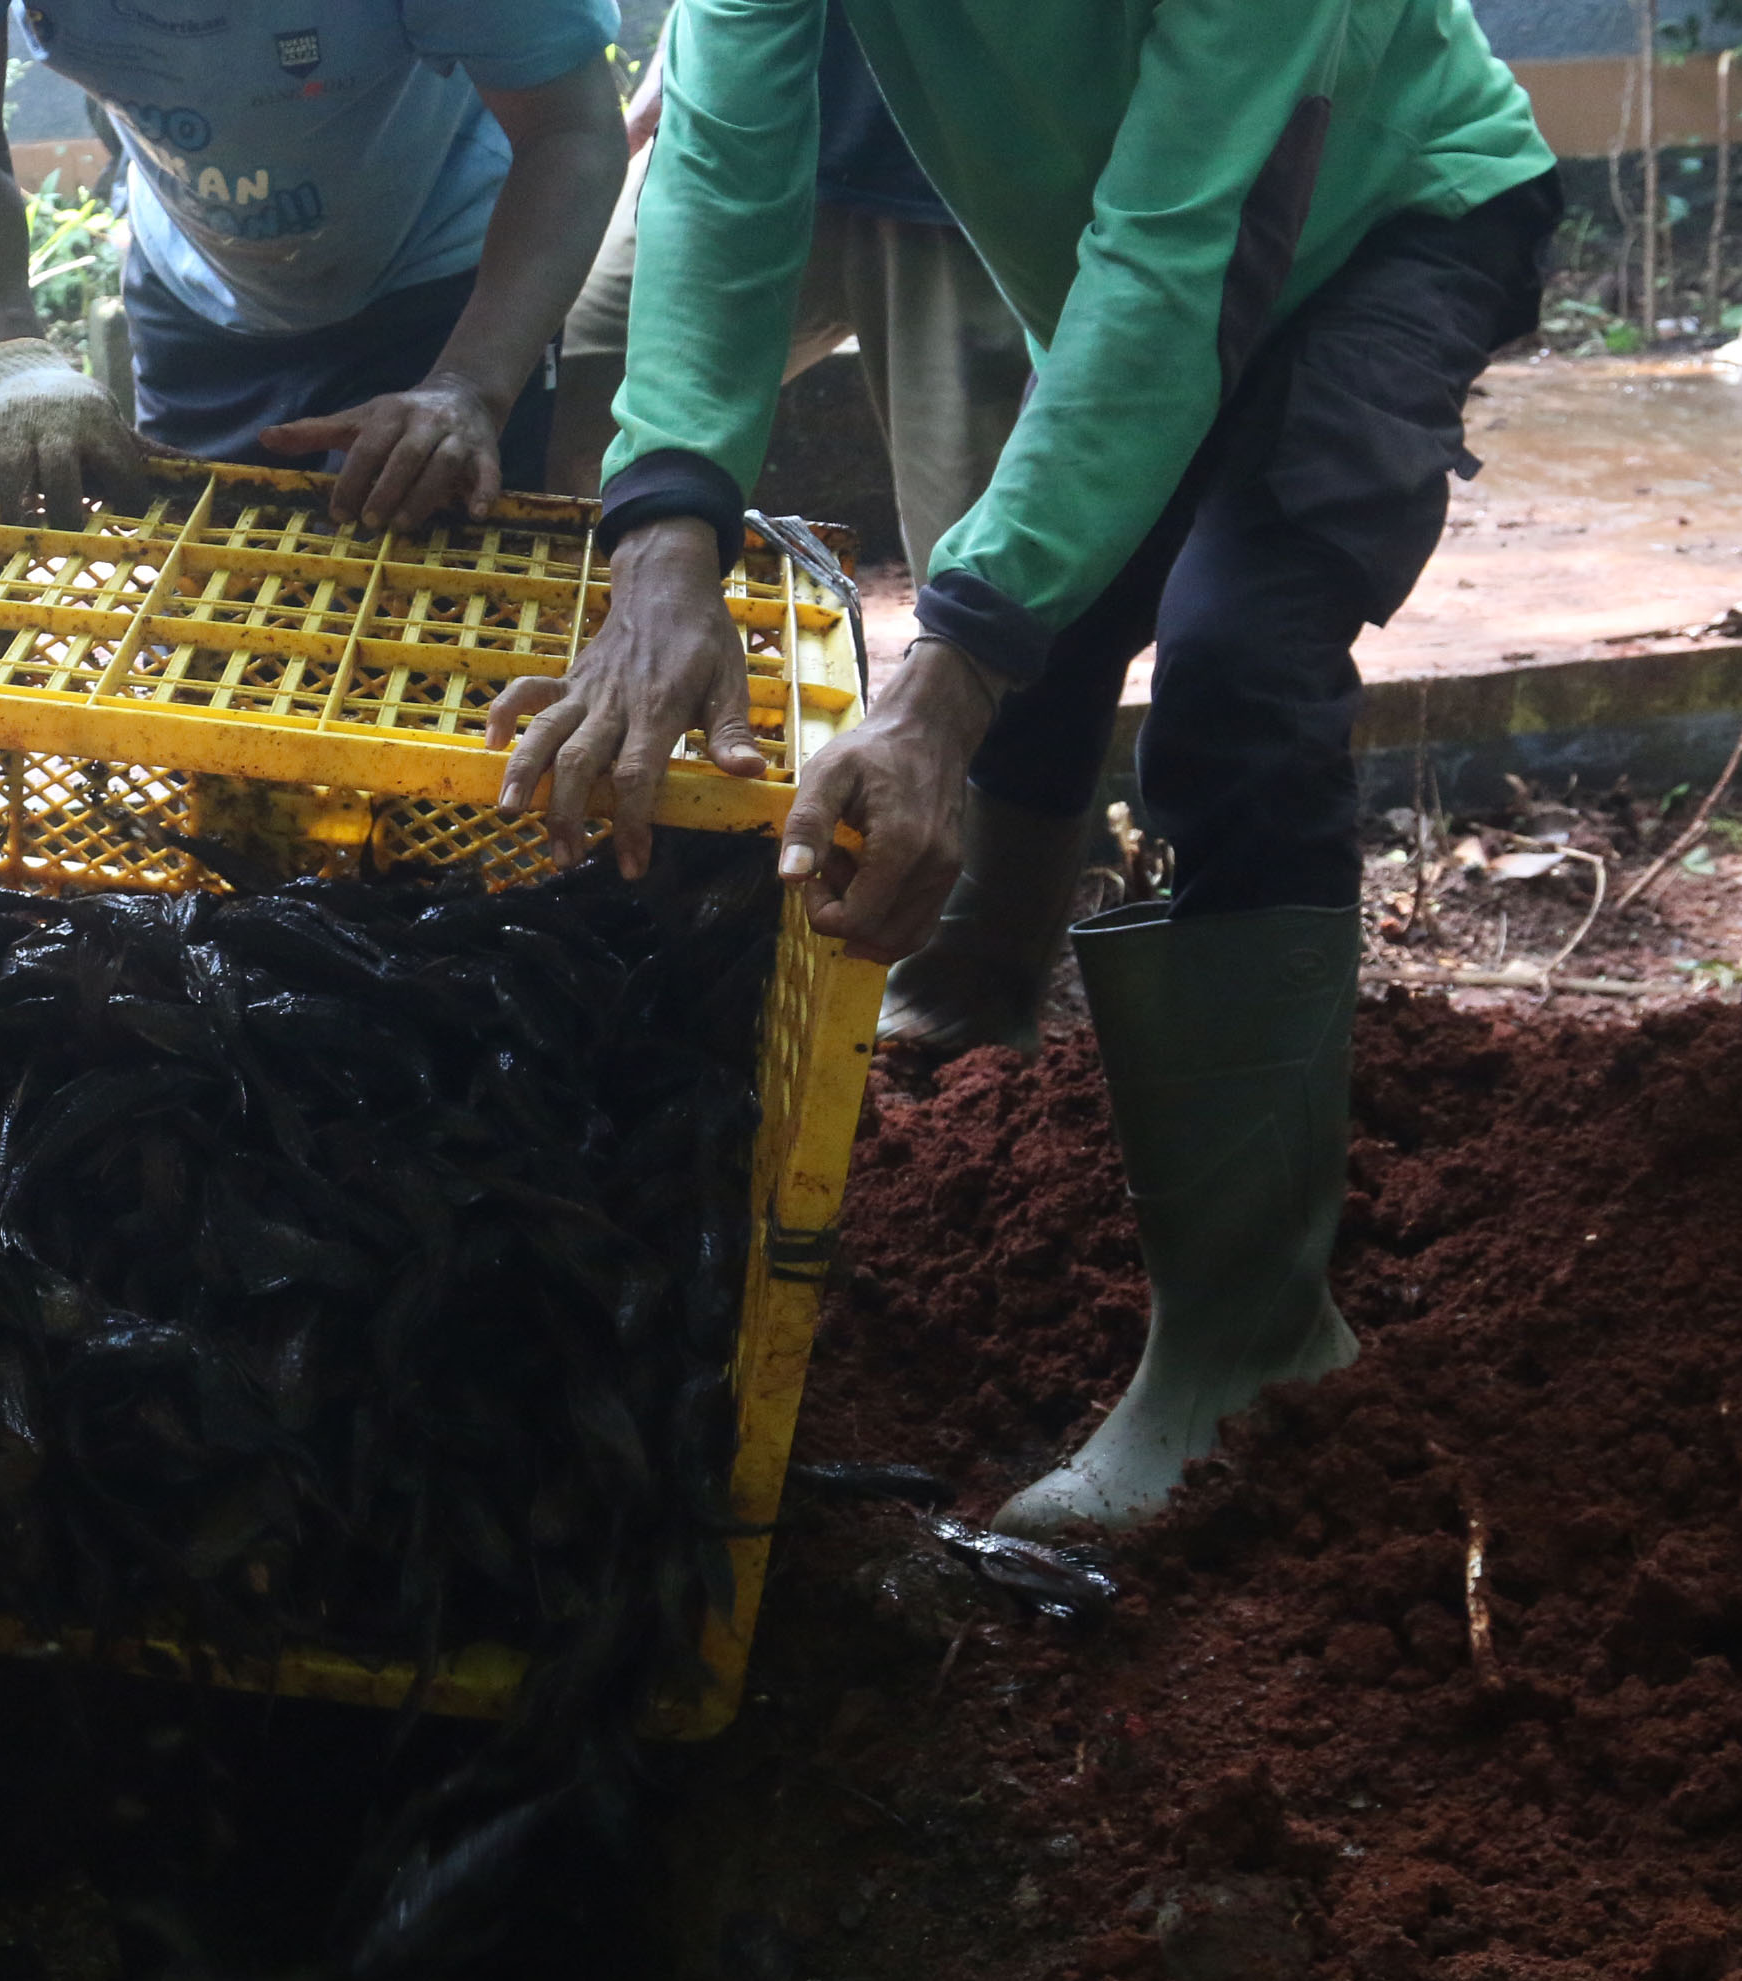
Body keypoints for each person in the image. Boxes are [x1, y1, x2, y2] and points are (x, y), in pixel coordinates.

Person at [493, 0, 1556, 1536]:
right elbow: (723, 175)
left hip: (1390, 217)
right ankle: (981, 1000)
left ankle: (1253, 1345)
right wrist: (665, 538)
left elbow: (1175, 253)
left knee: (1236, 664)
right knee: (1043, 609)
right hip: (1140, 248)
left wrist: (949, 671)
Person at [0, 0, 628, 529]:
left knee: (438, 634)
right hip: (195, 288)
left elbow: (570, 131)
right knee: (206, 624)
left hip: (448, 284)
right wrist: (9, 356)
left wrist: (472, 384)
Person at [549, 9, 1030, 705]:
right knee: (569, 380)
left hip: (967, 170)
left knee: (979, 583)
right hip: (756, 98)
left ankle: (968, 786)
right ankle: (587, 687)